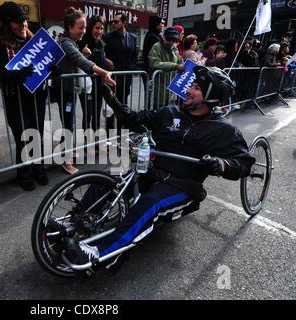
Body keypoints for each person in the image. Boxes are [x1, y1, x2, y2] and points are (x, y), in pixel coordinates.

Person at [63, 66, 255, 265]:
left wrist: (222, 164)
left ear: (211, 96)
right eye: (191, 85)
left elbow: (244, 163)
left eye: (196, 87)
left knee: (151, 202)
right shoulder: (170, 112)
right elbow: (134, 120)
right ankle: (72, 222)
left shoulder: (223, 130)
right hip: (151, 173)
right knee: (108, 181)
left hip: (182, 186)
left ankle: (99, 254)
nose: (188, 90)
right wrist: (112, 99)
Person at [0, 2, 48, 191]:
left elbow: (44, 65)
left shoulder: (34, 40)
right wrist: (20, 73)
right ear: (7, 24)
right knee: (23, 136)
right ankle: (24, 173)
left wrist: (52, 70)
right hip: (16, 98)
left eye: (24, 20)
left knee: (36, 134)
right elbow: (1, 74)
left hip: (35, 96)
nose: (23, 25)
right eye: (17, 22)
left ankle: (39, 169)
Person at [52, 7, 116, 175]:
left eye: (84, 27)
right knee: (69, 125)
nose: (83, 31)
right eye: (80, 27)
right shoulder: (65, 42)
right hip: (65, 91)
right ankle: (66, 160)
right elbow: (80, 61)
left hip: (70, 90)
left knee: (70, 124)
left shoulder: (72, 42)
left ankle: (67, 153)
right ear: (70, 28)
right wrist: (104, 72)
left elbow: (78, 60)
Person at [78, 15, 114, 156]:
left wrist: (105, 60)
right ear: (91, 27)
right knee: (88, 115)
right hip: (86, 86)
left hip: (98, 84)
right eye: (97, 28)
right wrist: (83, 54)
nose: (99, 31)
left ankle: (97, 142)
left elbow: (100, 58)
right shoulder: (82, 42)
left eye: (102, 28)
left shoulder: (100, 43)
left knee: (97, 114)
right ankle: (87, 144)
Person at [103, 13, 138, 137]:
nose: (114, 23)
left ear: (124, 23)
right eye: (113, 22)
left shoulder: (133, 37)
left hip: (126, 79)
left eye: (116, 21)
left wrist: (131, 69)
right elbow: (100, 54)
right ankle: (109, 133)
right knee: (111, 106)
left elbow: (134, 57)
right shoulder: (107, 37)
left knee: (123, 105)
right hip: (112, 78)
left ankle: (121, 132)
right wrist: (105, 60)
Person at [148, 27, 184, 108]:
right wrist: (175, 66)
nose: (171, 42)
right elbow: (155, 63)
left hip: (169, 89)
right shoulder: (156, 47)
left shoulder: (174, 49)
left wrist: (183, 66)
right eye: (169, 39)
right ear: (164, 37)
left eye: (174, 39)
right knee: (156, 112)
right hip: (158, 88)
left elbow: (180, 62)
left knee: (165, 113)